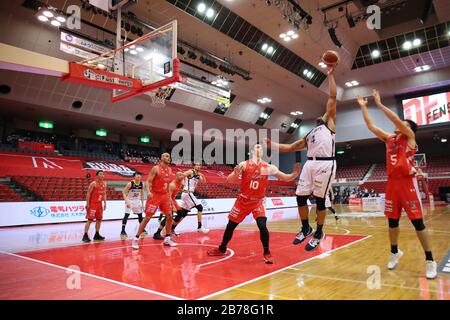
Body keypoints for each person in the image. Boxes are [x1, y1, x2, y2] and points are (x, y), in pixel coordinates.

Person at [357, 89, 437, 279]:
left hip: (407, 185)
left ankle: (430, 260)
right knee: (392, 223)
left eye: (404, 123)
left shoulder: (409, 137)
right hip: (392, 185)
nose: (399, 125)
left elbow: (397, 122)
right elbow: (370, 126)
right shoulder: (389, 139)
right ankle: (394, 251)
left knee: (418, 223)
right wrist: (363, 108)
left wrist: (379, 104)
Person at [266, 66, 337, 251]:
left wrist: (330, 76)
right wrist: (272, 145)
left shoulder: (329, 124)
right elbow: (290, 147)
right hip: (310, 163)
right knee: (299, 197)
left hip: (325, 163)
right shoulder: (310, 134)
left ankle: (319, 232)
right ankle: (306, 228)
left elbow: (332, 97)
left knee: (320, 201)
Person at [207, 144, 300, 264]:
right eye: (257, 147)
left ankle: (267, 252)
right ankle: (222, 248)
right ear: (251, 151)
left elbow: (286, 178)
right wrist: (235, 174)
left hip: (257, 202)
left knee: (262, 225)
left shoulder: (267, 167)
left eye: (261, 148)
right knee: (230, 226)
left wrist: (294, 174)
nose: (259, 149)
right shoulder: (244, 164)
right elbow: (228, 180)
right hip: (243, 201)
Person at [132, 153, 177, 249]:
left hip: (165, 195)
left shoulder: (169, 170)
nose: (168, 158)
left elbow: (168, 185)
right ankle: (135, 239)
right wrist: (148, 192)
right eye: (166, 156)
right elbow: (148, 181)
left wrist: (169, 197)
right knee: (147, 218)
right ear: (161, 158)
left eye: (169, 156)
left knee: (169, 216)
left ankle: (167, 238)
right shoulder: (156, 168)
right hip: (155, 195)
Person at [153, 172, 187, 240]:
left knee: (181, 213)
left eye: (182, 175)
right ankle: (157, 233)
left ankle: (171, 229)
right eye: (180, 175)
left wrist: (182, 190)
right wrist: (172, 206)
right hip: (168, 200)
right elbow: (168, 195)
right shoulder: (172, 184)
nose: (182, 176)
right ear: (176, 176)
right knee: (168, 217)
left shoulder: (179, 183)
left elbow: (177, 189)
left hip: (173, 199)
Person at [178, 162, 209, 233]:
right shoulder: (190, 171)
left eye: (199, 165)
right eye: (197, 165)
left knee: (183, 213)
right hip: (187, 193)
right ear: (193, 166)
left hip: (188, 194)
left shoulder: (198, 174)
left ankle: (172, 228)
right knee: (200, 207)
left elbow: (204, 182)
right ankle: (199, 227)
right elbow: (181, 176)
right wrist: (182, 184)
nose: (198, 166)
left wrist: (203, 175)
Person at [82, 170, 107, 242]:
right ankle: (85, 235)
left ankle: (97, 234)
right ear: (97, 175)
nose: (102, 175)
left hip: (99, 204)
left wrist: (105, 203)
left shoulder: (104, 183)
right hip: (93, 204)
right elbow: (88, 194)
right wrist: (87, 203)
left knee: (99, 219)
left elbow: (104, 194)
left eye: (103, 174)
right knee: (90, 220)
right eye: (100, 174)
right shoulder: (93, 183)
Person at [120, 172, 146, 239]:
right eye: (137, 175)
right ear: (134, 176)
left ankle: (142, 229)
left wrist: (142, 203)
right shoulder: (130, 184)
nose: (139, 176)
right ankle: (122, 230)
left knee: (140, 215)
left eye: (140, 175)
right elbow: (123, 192)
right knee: (126, 215)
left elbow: (142, 194)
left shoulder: (142, 184)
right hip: (129, 200)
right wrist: (127, 202)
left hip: (137, 201)